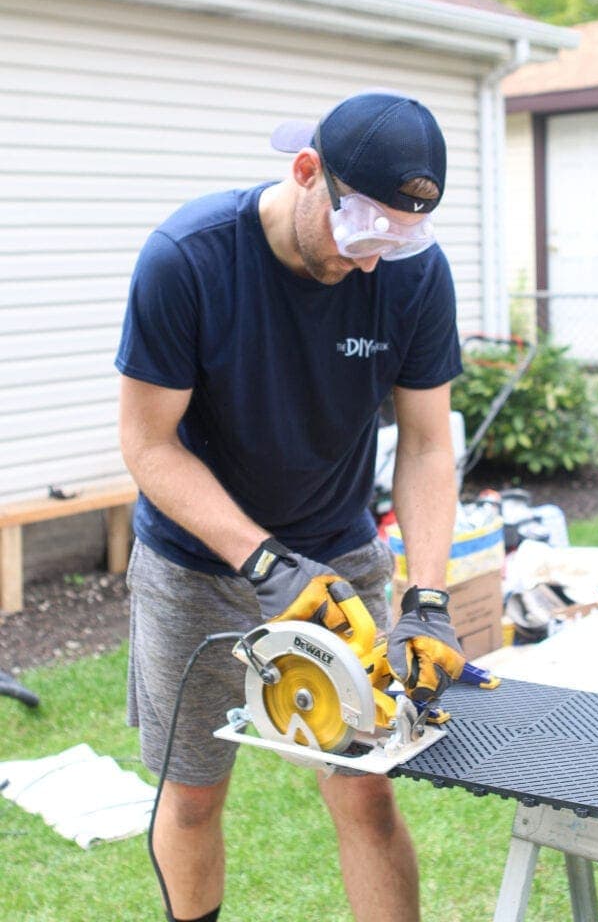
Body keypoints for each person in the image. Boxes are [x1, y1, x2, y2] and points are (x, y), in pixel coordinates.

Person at [116, 91, 466, 922]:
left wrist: (428, 595)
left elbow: (424, 444)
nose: (375, 262)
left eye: (400, 239)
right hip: (195, 567)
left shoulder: (410, 274)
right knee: (194, 794)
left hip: (339, 561)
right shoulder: (189, 259)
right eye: (364, 235)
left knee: (364, 794)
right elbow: (148, 445)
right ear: (309, 173)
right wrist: (261, 558)